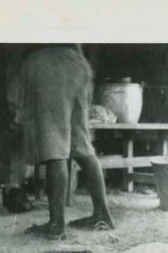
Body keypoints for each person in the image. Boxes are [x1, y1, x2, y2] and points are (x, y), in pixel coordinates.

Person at [11, 44, 114, 238]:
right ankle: (102, 215)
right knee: (82, 145)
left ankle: (56, 224)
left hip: (47, 61)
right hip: (77, 61)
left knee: (54, 143)